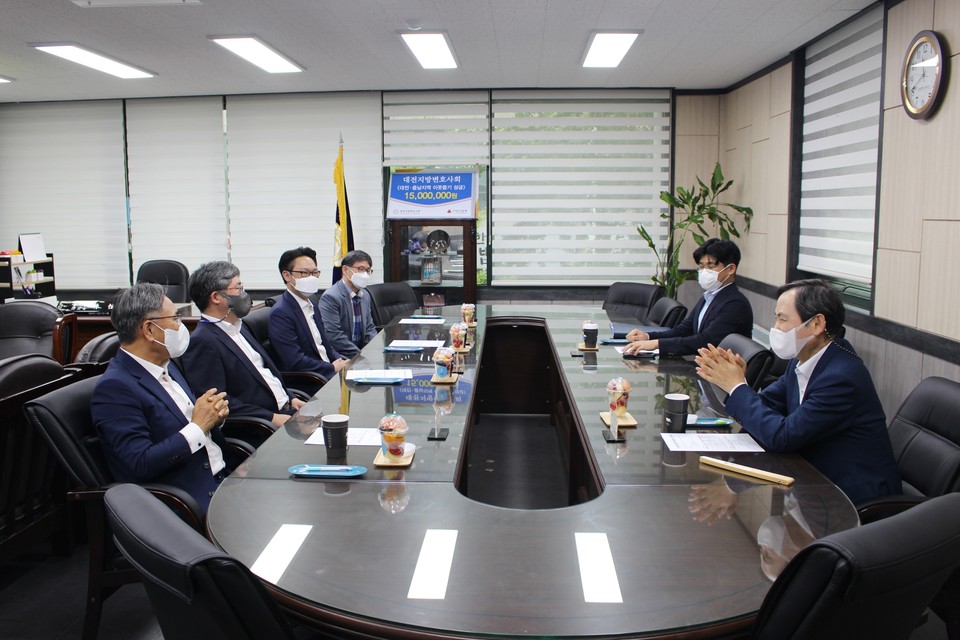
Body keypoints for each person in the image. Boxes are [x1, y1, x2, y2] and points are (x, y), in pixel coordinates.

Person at [694, 278, 901, 505]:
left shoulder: (841, 377)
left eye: (783, 319)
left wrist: (736, 387)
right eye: (776, 318)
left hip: (850, 498)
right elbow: (768, 404)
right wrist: (740, 384)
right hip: (811, 480)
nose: (776, 328)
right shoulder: (803, 359)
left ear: (816, 324)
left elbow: (782, 436)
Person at [91, 283, 231, 513]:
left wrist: (214, 416)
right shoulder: (115, 388)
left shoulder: (167, 364)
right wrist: (198, 426)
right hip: (186, 502)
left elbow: (194, 421)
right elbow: (139, 463)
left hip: (225, 478)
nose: (181, 326)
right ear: (149, 330)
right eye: (176, 318)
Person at [181, 261, 303, 427]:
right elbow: (218, 401)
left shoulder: (240, 326)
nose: (244, 293)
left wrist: (291, 397)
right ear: (216, 297)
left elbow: (266, 374)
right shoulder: (202, 341)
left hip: (287, 409)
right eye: (238, 288)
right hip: (261, 425)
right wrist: (271, 418)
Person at [624, 238, 753, 357]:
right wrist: (647, 337)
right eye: (701, 267)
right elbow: (684, 330)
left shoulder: (735, 303)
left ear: (730, 269)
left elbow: (706, 342)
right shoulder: (709, 296)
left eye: (711, 266)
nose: (704, 271)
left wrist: (657, 344)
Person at [269, 246, 349, 378]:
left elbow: (324, 345)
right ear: (287, 275)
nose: (311, 278)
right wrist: (332, 367)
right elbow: (294, 360)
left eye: (315, 272)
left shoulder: (312, 303)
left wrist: (341, 360)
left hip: (329, 371)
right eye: (304, 273)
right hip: (312, 379)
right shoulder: (281, 313)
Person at [318, 249, 378, 357]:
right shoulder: (331, 297)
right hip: (342, 357)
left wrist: (375, 350)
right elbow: (334, 336)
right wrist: (361, 356)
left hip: (362, 354)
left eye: (368, 270)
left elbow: (369, 328)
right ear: (345, 269)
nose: (364, 274)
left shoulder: (365, 295)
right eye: (360, 269)